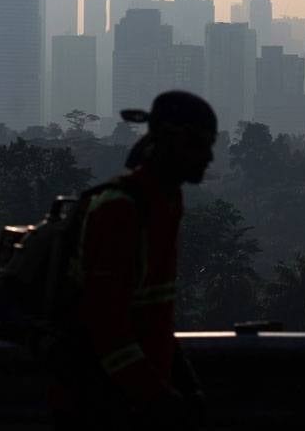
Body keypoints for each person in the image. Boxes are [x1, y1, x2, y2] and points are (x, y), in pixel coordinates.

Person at [48, 90, 217, 430]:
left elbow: (154, 317)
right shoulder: (119, 209)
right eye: (199, 145)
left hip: (139, 399)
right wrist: (157, 398)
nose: (208, 157)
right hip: (104, 405)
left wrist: (185, 387)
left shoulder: (167, 202)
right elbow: (105, 326)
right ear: (170, 142)